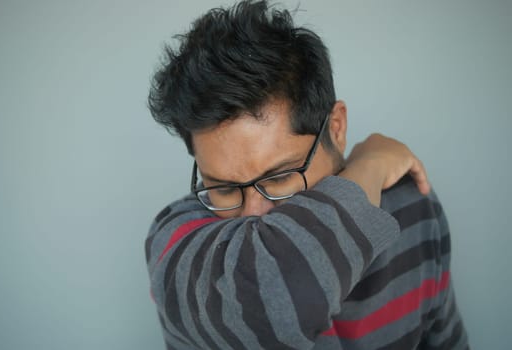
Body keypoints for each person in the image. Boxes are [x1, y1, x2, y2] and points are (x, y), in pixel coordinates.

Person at [145, 1, 468, 349]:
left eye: (280, 178)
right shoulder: (176, 239)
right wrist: (369, 166)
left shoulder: (411, 206)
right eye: (224, 188)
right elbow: (279, 299)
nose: (254, 215)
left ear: (337, 127)